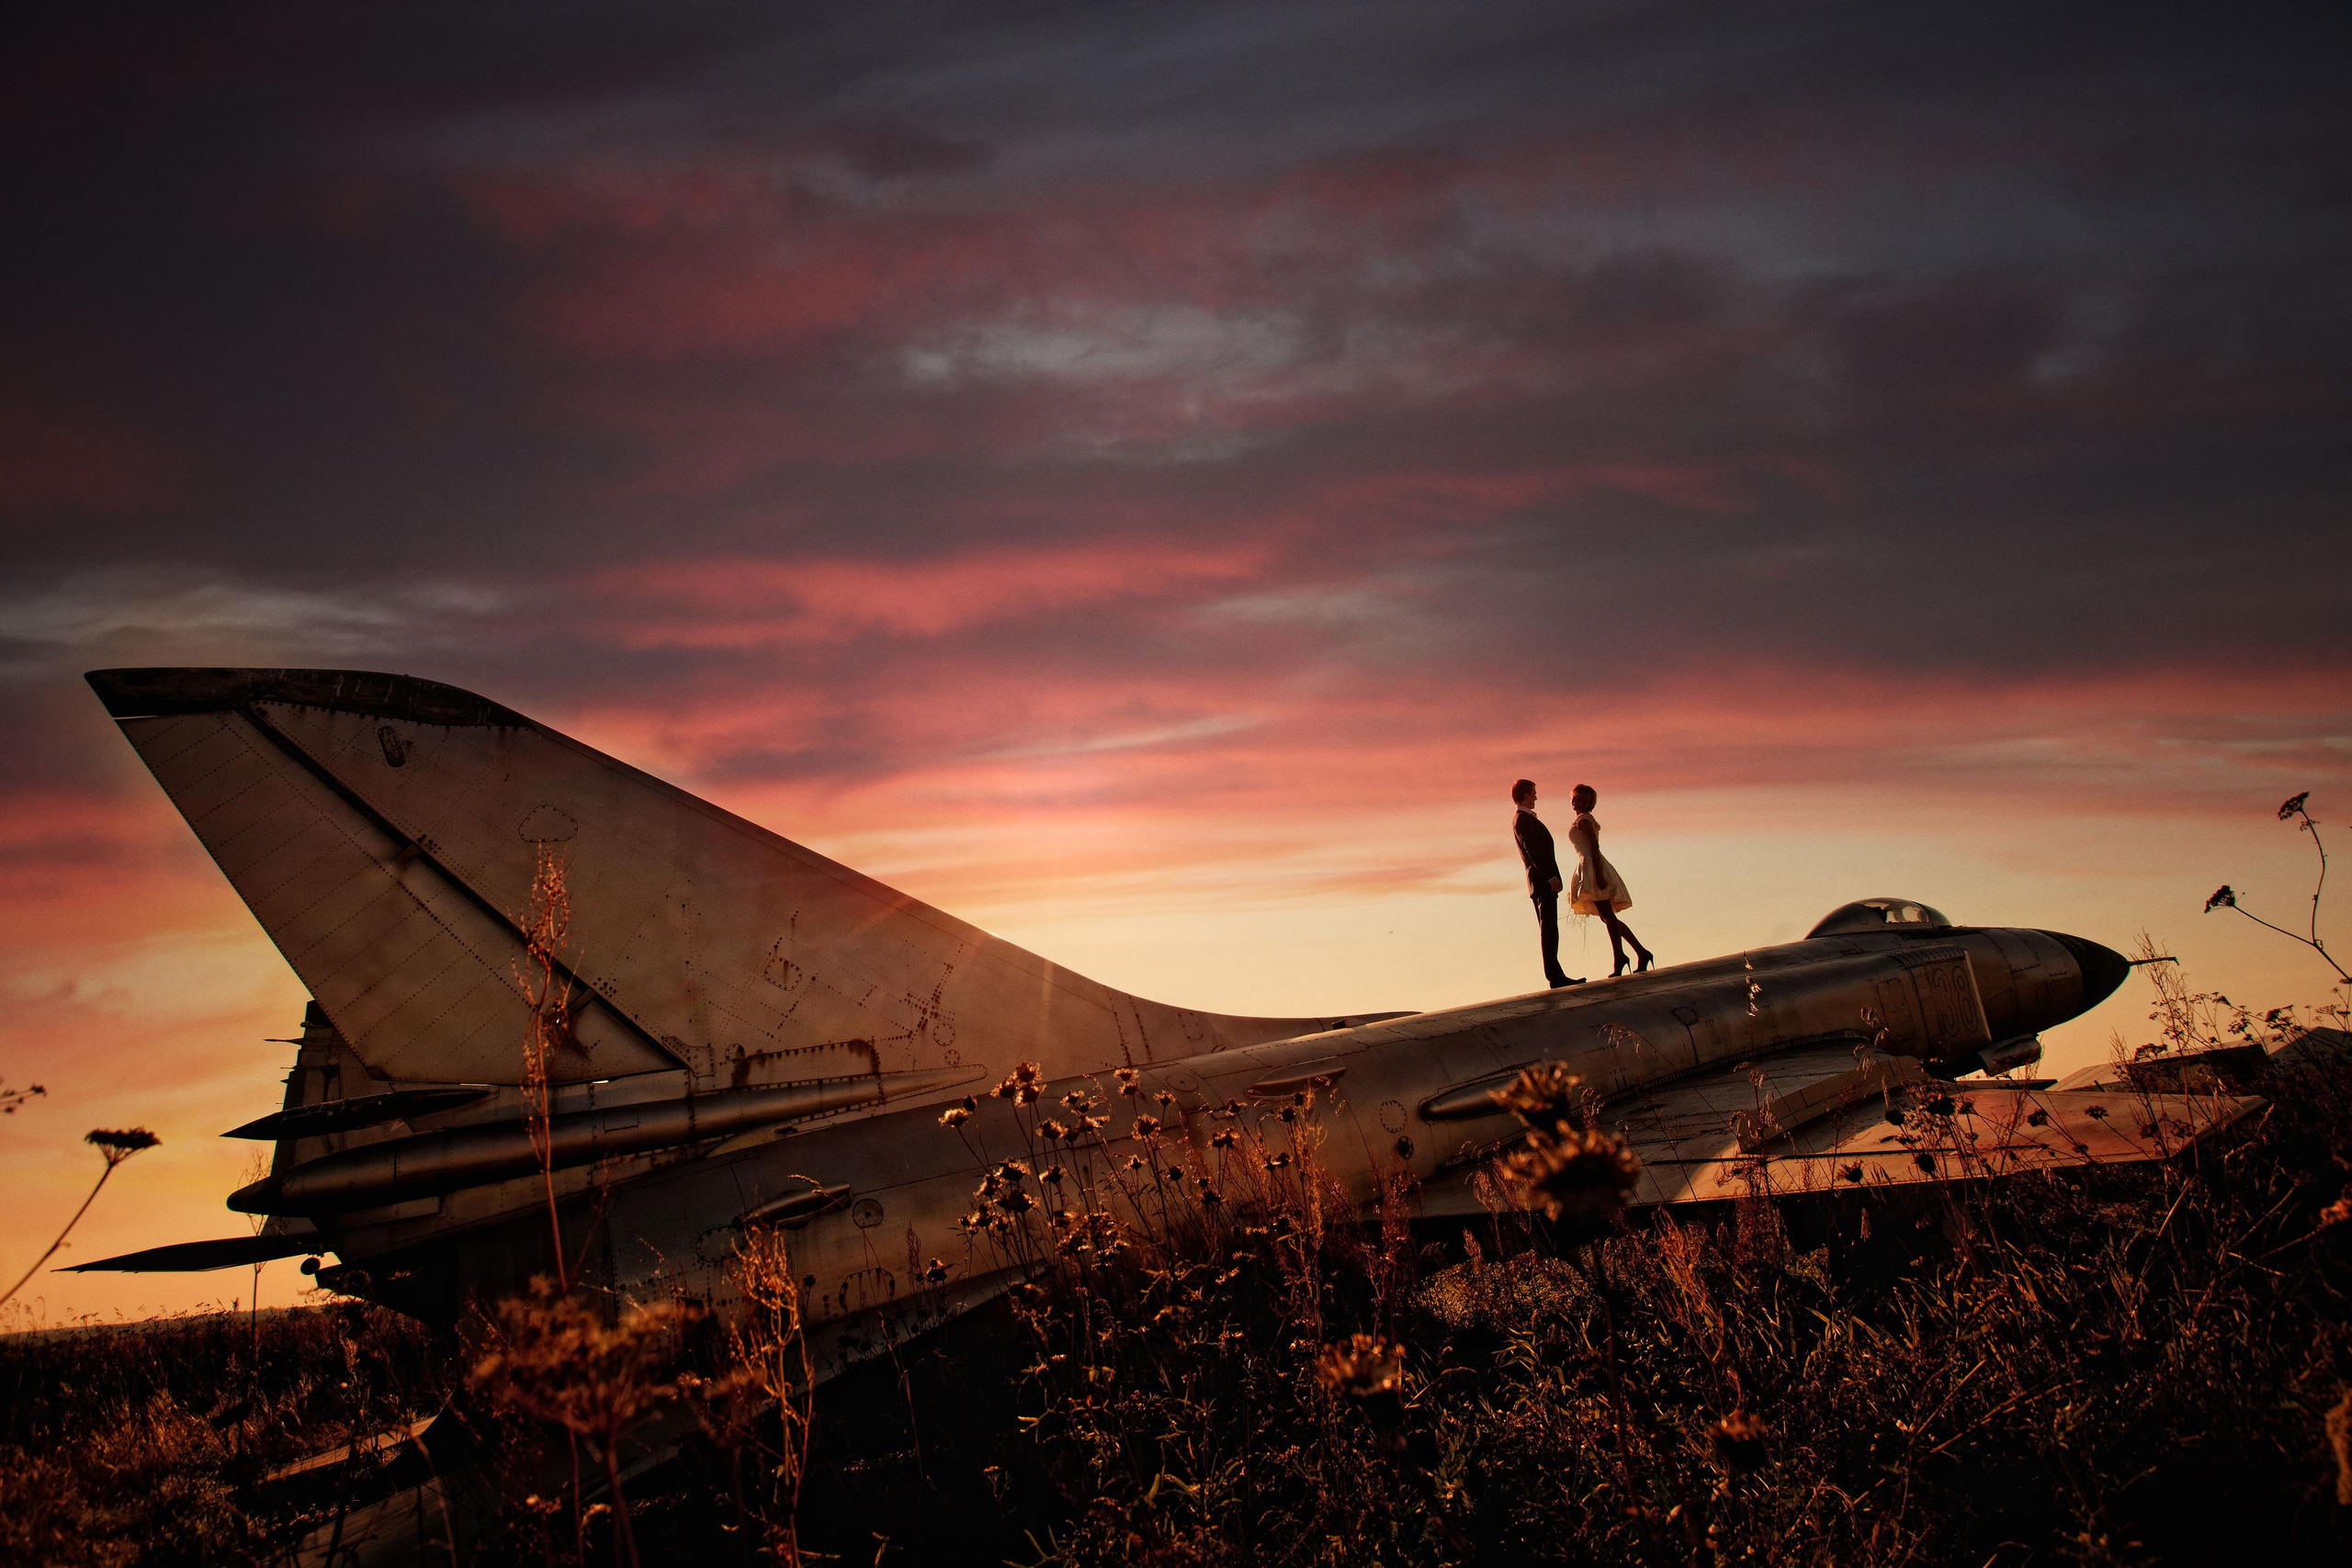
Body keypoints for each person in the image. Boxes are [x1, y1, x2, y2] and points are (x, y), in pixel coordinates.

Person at [1566, 783, 1653, 976]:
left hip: (1593, 867)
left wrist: (1598, 874)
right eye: (1573, 797)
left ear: (1586, 801)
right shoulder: (1582, 819)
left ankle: (1621, 956)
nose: (1574, 801)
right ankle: (1640, 952)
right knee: (1607, 916)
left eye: (1578, 798)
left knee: (1608, 915)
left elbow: (1594, 848)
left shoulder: (1584, 820)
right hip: (1588, 866)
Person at [1511, 780, 1582, 988]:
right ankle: (1555, 975)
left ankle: (1556, 973)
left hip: (1540, 881)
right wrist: (1551, 877)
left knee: (1550, 928)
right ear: (1525, 795)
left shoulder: (1524, 819)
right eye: (1533, 793)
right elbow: (1535, 852)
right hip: (1542, 881)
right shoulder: (1523, 820)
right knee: (1549, 929)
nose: (1536, 797)